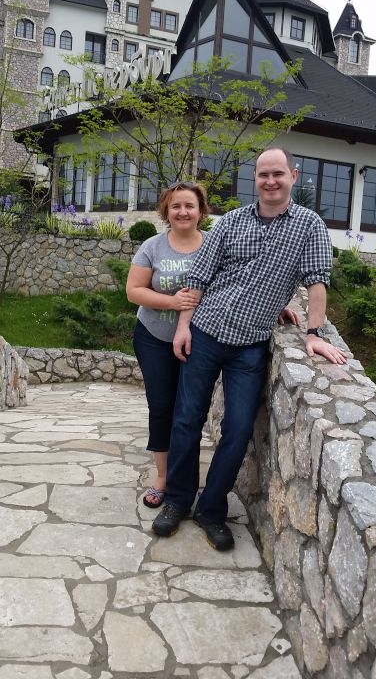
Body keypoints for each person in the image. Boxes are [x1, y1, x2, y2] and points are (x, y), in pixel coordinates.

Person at [153, 147, 347, 549]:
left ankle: (211, 509)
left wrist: (314, 333)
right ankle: (178, 500)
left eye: (278, 174)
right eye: (263, 175)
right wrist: (183, 327)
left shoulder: (309, 226)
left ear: (293, 175)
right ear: (254, 179)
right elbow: (198, 278)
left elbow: (316, 281)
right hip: (206, 332)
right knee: (186, 420)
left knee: (239, 429)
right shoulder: (231, 222)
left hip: (250, 346)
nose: (270, 181)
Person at [126, 181, 209, 509]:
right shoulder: (153, 246)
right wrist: (173, 302)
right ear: (166, 211)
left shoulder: (213, 245)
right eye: (176, 206)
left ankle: (184, 476)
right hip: (154, 338)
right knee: (161, 407)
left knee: (189, 411)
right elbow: (133, 290)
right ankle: (162, 477)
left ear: (201, 211)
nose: (182, 212)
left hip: (200, 340)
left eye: (189, 205)